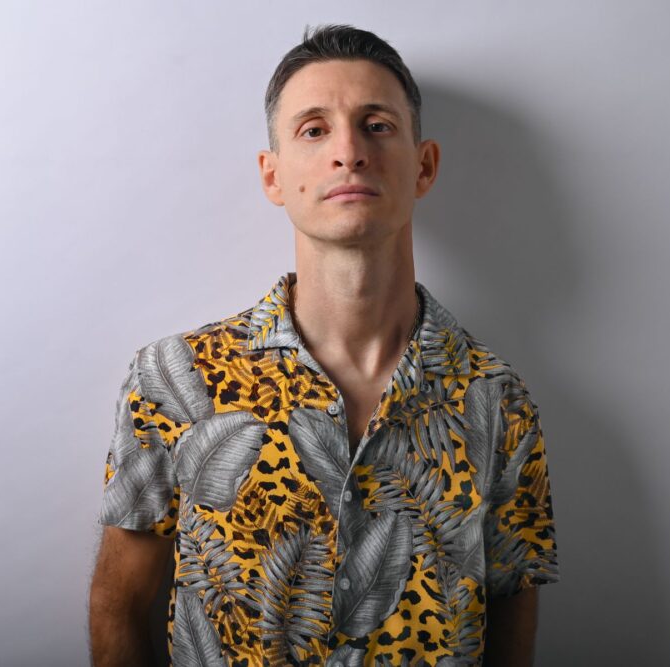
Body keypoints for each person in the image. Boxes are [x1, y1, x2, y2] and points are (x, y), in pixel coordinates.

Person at [89, 23, 560, 667]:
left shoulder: (496, 398)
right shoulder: (176, 378)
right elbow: (118, 603)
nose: (349, 152)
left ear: (424, 166)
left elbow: (510, 614)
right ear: (273, 175)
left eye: (377, 125)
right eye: (314, 129)